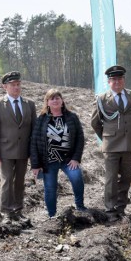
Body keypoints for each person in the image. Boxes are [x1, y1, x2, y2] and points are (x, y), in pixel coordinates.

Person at [0, 71, 37, 224]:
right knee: (7, 180)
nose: (16, 87)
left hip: (23, 150)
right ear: (5, 87)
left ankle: (18, 210)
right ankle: (6, 211)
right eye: (13, 85)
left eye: (18, 84)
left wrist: (34, 152)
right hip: (5, 151)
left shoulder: (29, 104)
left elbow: (34, 130)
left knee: (20, 181)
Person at [91, 65, 131, 221]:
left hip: (129, 144)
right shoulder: (102, 99)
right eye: (113, 80)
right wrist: (106, 137)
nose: (117, 82)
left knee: (125, 178)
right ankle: (110, 210)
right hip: (111, 146)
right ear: (109, 82)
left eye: (119, 79)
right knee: (111, 179)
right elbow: (95, 123)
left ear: (124, 80)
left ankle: (121, 207)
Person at [30, 89, 86, 217]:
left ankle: (80, 207)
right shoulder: (41, 119)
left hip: (68, 160)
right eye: (52, 98)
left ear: (62, 101)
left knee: (77, 178)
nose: (55, 100)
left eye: (57, 98)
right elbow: (34, 142)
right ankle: (52, 215)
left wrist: (76, 158)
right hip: (48, 161)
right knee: (50, 189)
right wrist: (35, 164)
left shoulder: (72, 117)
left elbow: (80, 138)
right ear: (47, 102)